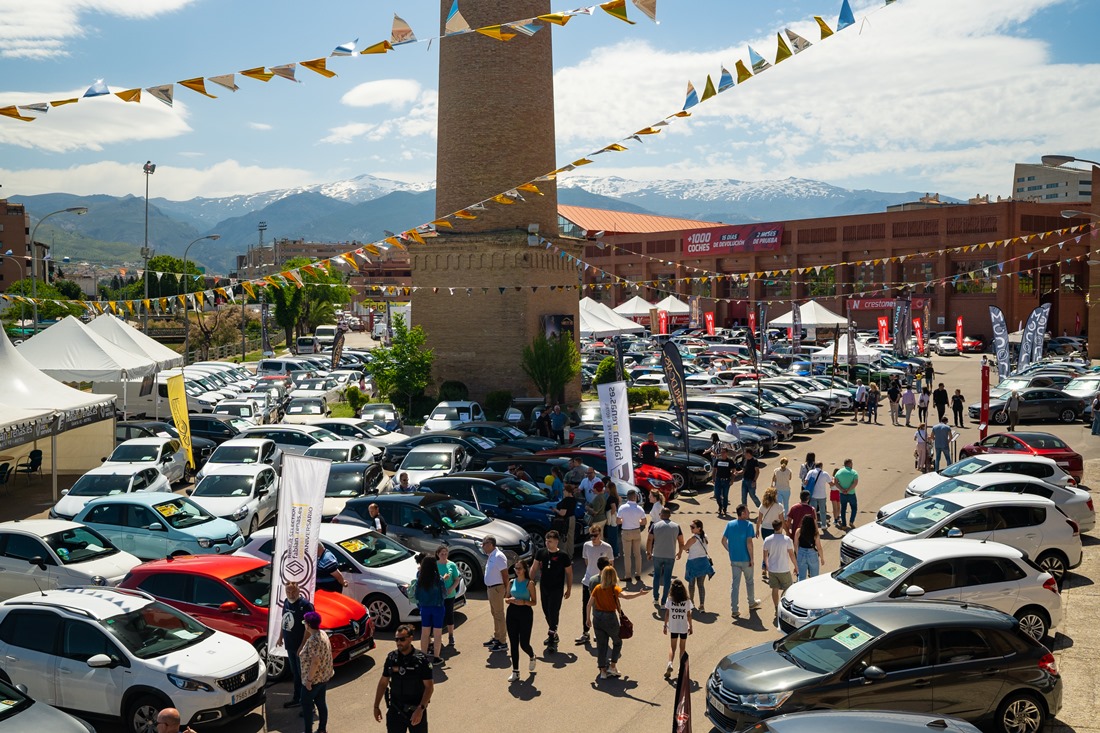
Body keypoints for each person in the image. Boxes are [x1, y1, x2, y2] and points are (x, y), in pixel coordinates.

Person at [586, 565, 646, 681]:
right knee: (617, 642)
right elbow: (626, 596)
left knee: (601, 645)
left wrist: (588, 619)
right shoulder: (614, 588)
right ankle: (612, 666)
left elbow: (589, 604)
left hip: (597, 618)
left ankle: (603, 670)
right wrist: (639, 594)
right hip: (610, 618)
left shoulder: (597, 588)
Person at [373, 623, 433, 733]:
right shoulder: (392, 658)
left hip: (415, 710)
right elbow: (383, 682)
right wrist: (376, 706)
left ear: (410, 638)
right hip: (396, 710)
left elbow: (429, 687)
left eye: (402, 639)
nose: (399, 643)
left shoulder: (421, 660)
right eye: (396, 640)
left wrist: (420, 709)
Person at [531, 530, 572, 650]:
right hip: (544, 587)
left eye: (550, 541)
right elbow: (534, 568)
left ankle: (551, 639)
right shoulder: (541, 553)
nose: (547, 543)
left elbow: (569, 573)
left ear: (556, 542)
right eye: (546, 541)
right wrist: (529, 582)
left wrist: (569, 588)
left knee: (553, 612)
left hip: (556, 589)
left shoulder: (563, 556)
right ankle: (554, 632)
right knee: (546, 612)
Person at [721, 504, 762, 619]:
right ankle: (751, 602)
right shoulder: (748, 525)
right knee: (749, 581)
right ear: (743, 513)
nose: (749, 513)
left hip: (734, 559)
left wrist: (730, 551)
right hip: (746, 559)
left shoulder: (730, 524)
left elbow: (723, 541)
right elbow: (749, 543)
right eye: (747, 512)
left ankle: (734, 609)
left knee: (735, 584)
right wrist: (752, 559)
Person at [576, 525, 614, 645]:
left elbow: (610, 565)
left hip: (602, 583)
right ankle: (585, 632)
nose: (593, 538)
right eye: (591, 536)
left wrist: (608, 581)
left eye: (595, 535)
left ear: (600, 535)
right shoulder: (586, 546)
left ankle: (600, 632)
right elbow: (587, 561)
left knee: (600, 609)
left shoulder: (607, 547)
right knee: (585, 607)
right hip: (587, 581)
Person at [279, 581, 313, 710]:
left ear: (299, 590)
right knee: (296, 674)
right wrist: (280, 637)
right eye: (288, 591)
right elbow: (284, 621)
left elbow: (309, 629)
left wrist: (302, 646)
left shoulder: (306, 606)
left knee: (304, 675)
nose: (291, 594)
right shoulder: (286, 602)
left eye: (293, 591)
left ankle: (308, 703)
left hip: (301, 648)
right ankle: (297, 698)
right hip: (290, 646)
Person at [299, 611, 335, 733]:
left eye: (304, 622)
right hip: (324, 677)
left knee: (306, 705)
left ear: (308, 625)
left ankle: (308, 730)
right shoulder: (323, 633)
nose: (304, 624)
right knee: (321, 703)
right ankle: (322, 729)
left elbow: (315, 661)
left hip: (313, 680)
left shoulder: (313, 640)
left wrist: (309, 681)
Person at [504, 559, 538, 681]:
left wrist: (524, 602)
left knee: (524, 643)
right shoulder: (511, 582)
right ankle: (515, 671)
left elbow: (534, 602)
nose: (517, 570)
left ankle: (532, 655)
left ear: (524, 569)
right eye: (515, 568)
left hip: (525, 613)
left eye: (519, 568)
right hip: (512, 613)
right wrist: (510, 600)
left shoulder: (530, 584)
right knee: (513, 643)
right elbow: (506, 598)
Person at [762, 518, 798, 628]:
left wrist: (767, 566)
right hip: (784, 569)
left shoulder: (767, 539)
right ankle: (785, 608)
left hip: (772, 569)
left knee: (775, 589)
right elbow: (791, 554)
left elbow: (765, 556)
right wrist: (796, 566)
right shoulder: (787, 540)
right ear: (781, 527)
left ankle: (776, 607)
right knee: (788, 589)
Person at [647, 507, 685, 609]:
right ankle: (664, 602)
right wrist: (680, 552)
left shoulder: (655, 526)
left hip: (657, 555)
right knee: (667, 578)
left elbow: (650, 539)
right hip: (670, 556)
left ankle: (656, 598)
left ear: (661, 515)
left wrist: (649, 552)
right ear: (669, 515)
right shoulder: (676, 526)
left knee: (656, 576)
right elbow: (681, 541)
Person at [412, 555, 446, 664]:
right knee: (437, 633)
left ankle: (423, 656)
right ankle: (436, 657)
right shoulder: (438, 579)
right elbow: (444, 594)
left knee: (425, 633)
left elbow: (417, 596)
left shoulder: (420, 579)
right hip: (438, 608)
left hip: (425, 608)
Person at [481, 536, 509, 653]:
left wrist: (506, 589)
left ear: (491, 544)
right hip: (491, 589)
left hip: (497, 589)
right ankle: (497, 637)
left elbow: (505, 574)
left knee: (499, 614)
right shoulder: (491, 556)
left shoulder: (498, 556)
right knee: (495, 613)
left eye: (484, 544)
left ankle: (503, 642)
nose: (482, 546)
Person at [662, 579, 694, 680]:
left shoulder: (670, 600)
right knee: (682, 648)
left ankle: (670, 663)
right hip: (683, 627)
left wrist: (665, 625)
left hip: (673, 626)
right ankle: (681, 668)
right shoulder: (687, 601)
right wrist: (690, 626)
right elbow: (688, 615)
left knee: (672, 647)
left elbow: (667, 613)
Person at [617, 489, 648, 584]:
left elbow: (618, 521)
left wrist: (624, 521)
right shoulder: (639, 508)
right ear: (635, 497)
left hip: (626, 532)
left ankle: (628, 575)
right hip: (636, 531)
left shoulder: (622, 508)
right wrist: (637, 521)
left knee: (627, 555)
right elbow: (644, 522)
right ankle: (638, 574)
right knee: (637, 554)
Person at [755, 488, 786, 581]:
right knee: (773, 550)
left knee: (767, 549)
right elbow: (782, 520)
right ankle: (771, 568)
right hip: (775, 529)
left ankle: (764, 568)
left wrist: (757, 530)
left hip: (765, 529)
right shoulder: (779, 506)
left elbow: (759, 520)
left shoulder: (763, 506)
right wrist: (785, 530)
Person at [683, 519, 712, 612]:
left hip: (693, 563)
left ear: (699, 528)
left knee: (691, 584)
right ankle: (702, 605)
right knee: (701, 585)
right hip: (703, 562)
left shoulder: (693, 538)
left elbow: (684, 547)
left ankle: (691, 602)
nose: (691, 528)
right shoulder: (705, 536)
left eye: (693, 527)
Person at [434, 546, 460, 649]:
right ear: (438, 554)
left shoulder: (452, 565)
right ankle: (438, 637)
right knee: (439, 615)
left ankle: (451, 635)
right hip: (438, 595)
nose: (444, 555)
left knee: (449, 614)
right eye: (442, 554)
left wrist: (451, 588)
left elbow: (457, 579)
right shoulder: (435, 565)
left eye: (445, 553)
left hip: (450, 594)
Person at [794, 514, 824, 579]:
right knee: (814, 578)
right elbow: (819, 547)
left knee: (801, 577)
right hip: (812, 554)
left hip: (801, 553)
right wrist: (822, 558)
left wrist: (797, 554)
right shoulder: (815, 533)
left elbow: (795, 544)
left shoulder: (798, 531)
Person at [832, 458, 859, 529]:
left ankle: (844, 524)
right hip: (851, 493)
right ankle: (851, 521)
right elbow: (855, 483)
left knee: (843, 509)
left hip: (842, 494)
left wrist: (842, 489)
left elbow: (835, 482)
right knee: (854, 508)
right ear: (849, 464)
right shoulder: (854, 472)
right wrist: (848, 490)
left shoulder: (839, 472)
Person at [804, 462, 831, 530]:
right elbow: (831, 483)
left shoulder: (811, 472)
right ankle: (823, 525)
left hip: (813, 495)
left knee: (813, 511)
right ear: (821, 466)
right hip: (822, 495)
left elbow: (805, 482)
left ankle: (812, 525)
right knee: (822, 511)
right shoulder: (825, 473)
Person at [554, 483, 577, 556]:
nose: (563, 492)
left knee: (564, 537)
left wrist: (555, 510)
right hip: (572, 518)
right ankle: (570, 554)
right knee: (571, 537)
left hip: (566, 520)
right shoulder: (574, 499)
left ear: (567, 491)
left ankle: (563, 555)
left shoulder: (566, 500)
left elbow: (562, 513)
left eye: (564, 490)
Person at [712, 446, 734, 517]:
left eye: (723, 452)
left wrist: (732, 480)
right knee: (717, 495)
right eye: (721, 452)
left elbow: (733, 471)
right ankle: (720, 506)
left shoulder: (730, 461)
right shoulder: (718, 460)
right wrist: (713, 478)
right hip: (718, 480)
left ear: (727, 453)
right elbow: (714, 470)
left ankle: (724, 508)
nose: (722, 453)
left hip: (726, 481)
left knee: (725, 495)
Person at [604, 481, 622, 560]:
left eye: (606, 487)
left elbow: (613, 508)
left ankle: (614, 553)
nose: (605, 488)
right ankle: (615, 552)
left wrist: (609, 515)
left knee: (612, 537)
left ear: (610, 488)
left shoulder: (611, 498)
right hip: (614, 520)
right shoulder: (615, 497)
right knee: (614, 537)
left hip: (612, 520)